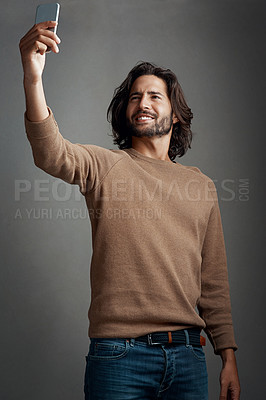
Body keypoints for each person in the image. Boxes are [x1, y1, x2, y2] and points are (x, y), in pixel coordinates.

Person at [19, 21, 241, 400]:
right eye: (135, 97)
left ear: (176, 115)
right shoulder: (105, 165)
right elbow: (50, 152)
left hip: (189, 356)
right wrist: (32, 77)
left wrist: (229, 357)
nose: (143, 103)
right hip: (119, 356)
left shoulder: (201, 185)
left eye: (155, 96)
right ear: (126, 112)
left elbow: (213, 281)